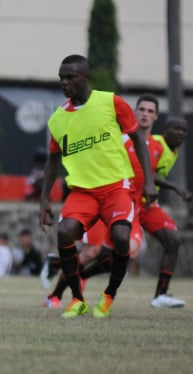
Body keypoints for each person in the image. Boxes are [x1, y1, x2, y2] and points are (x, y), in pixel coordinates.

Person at [42, 95, 191, 309]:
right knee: (91, 252)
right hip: (110, 198)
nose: (145, 114)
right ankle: (55, 295)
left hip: (137, 206)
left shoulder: (161, 148)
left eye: (150, 111)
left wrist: (158, 187)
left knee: (144, 246)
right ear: (134, 111)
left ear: (156, 116)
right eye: (141, 109)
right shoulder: (118, 135)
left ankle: (160, 294)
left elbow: (150, 172)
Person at [39, 54, 157, 318]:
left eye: (70, 77)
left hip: (116, 187)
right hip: (83, 192)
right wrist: (44, 199)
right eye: (61, 78)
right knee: (64, 232)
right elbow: (52, 161)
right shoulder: (57, 119)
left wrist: (148, 181)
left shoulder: (111, 102)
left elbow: (137, 138)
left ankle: (109, 294)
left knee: (121, 239)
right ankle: (77, 300)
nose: (64, 82)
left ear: (85, 77)